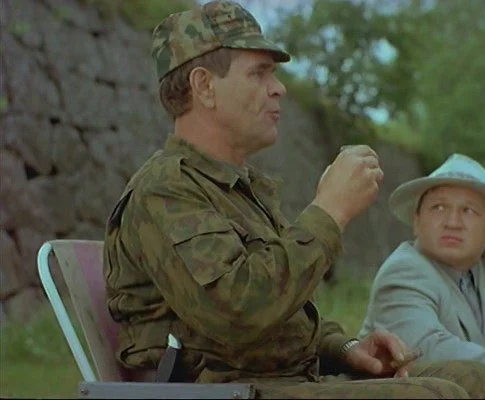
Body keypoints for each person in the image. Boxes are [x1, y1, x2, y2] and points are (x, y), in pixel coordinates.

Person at [103, 1, 485, 397]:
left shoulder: (239, 191)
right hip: (228, 390)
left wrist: (346, 349)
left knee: (474, 377)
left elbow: (285, 316)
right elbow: (238, 313)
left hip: (278, 381)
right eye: (259, 72)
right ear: (204, 86)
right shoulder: (166, 190)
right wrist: (330, 211)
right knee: (435, 396)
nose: (279, 88)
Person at [360, 153, 485, 364]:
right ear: (416, 221)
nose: (453, 222)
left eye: (469, 211)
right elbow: (426, 351)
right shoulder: (404, 272)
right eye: (439, 208)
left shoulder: (476, 270)